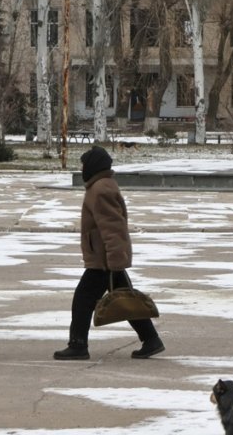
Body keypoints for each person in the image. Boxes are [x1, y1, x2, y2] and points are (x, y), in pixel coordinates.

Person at [54, 145, 165, 360]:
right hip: (106, 258)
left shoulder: (101, 189)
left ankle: (78, 345)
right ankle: (151, 339)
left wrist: (115, 261)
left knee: (83, 300)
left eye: (84, 164)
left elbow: (114, 227)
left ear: (93, 166)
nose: (82, 168)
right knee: (127, 299)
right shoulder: (101, 186)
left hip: (104, 261)